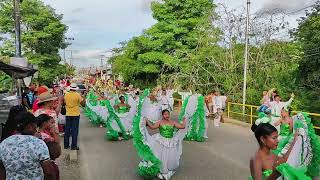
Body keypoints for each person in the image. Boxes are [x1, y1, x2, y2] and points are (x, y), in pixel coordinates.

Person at [0, 112, 55, 180]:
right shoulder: (38, 143)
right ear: (30, 126)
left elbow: (2, 171)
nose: (36, 128)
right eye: (35, 125)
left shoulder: (4, 143)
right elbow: (48, 172)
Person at [138, 110, 187, 180]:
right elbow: (152, 127)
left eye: (168, 114)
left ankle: (167, 168)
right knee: (160, 155)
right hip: (161, 141)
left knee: (169, 156)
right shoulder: (160, 122)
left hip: (170, 141)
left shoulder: (173, 122)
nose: (167, 115)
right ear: (162, 115)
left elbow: (182, 127)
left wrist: (185, 120)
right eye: (165, 114)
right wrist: (146, 120)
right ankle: (160, 169)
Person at [64, 83, 85, 150]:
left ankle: (66, 145)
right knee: (74, 131)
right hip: (75, 114)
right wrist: (83, 97)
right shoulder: (77, 95)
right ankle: (74, 146)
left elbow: (64, 103)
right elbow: (83, 104)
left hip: (68, 114)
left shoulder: (66, 95)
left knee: (67, 130)